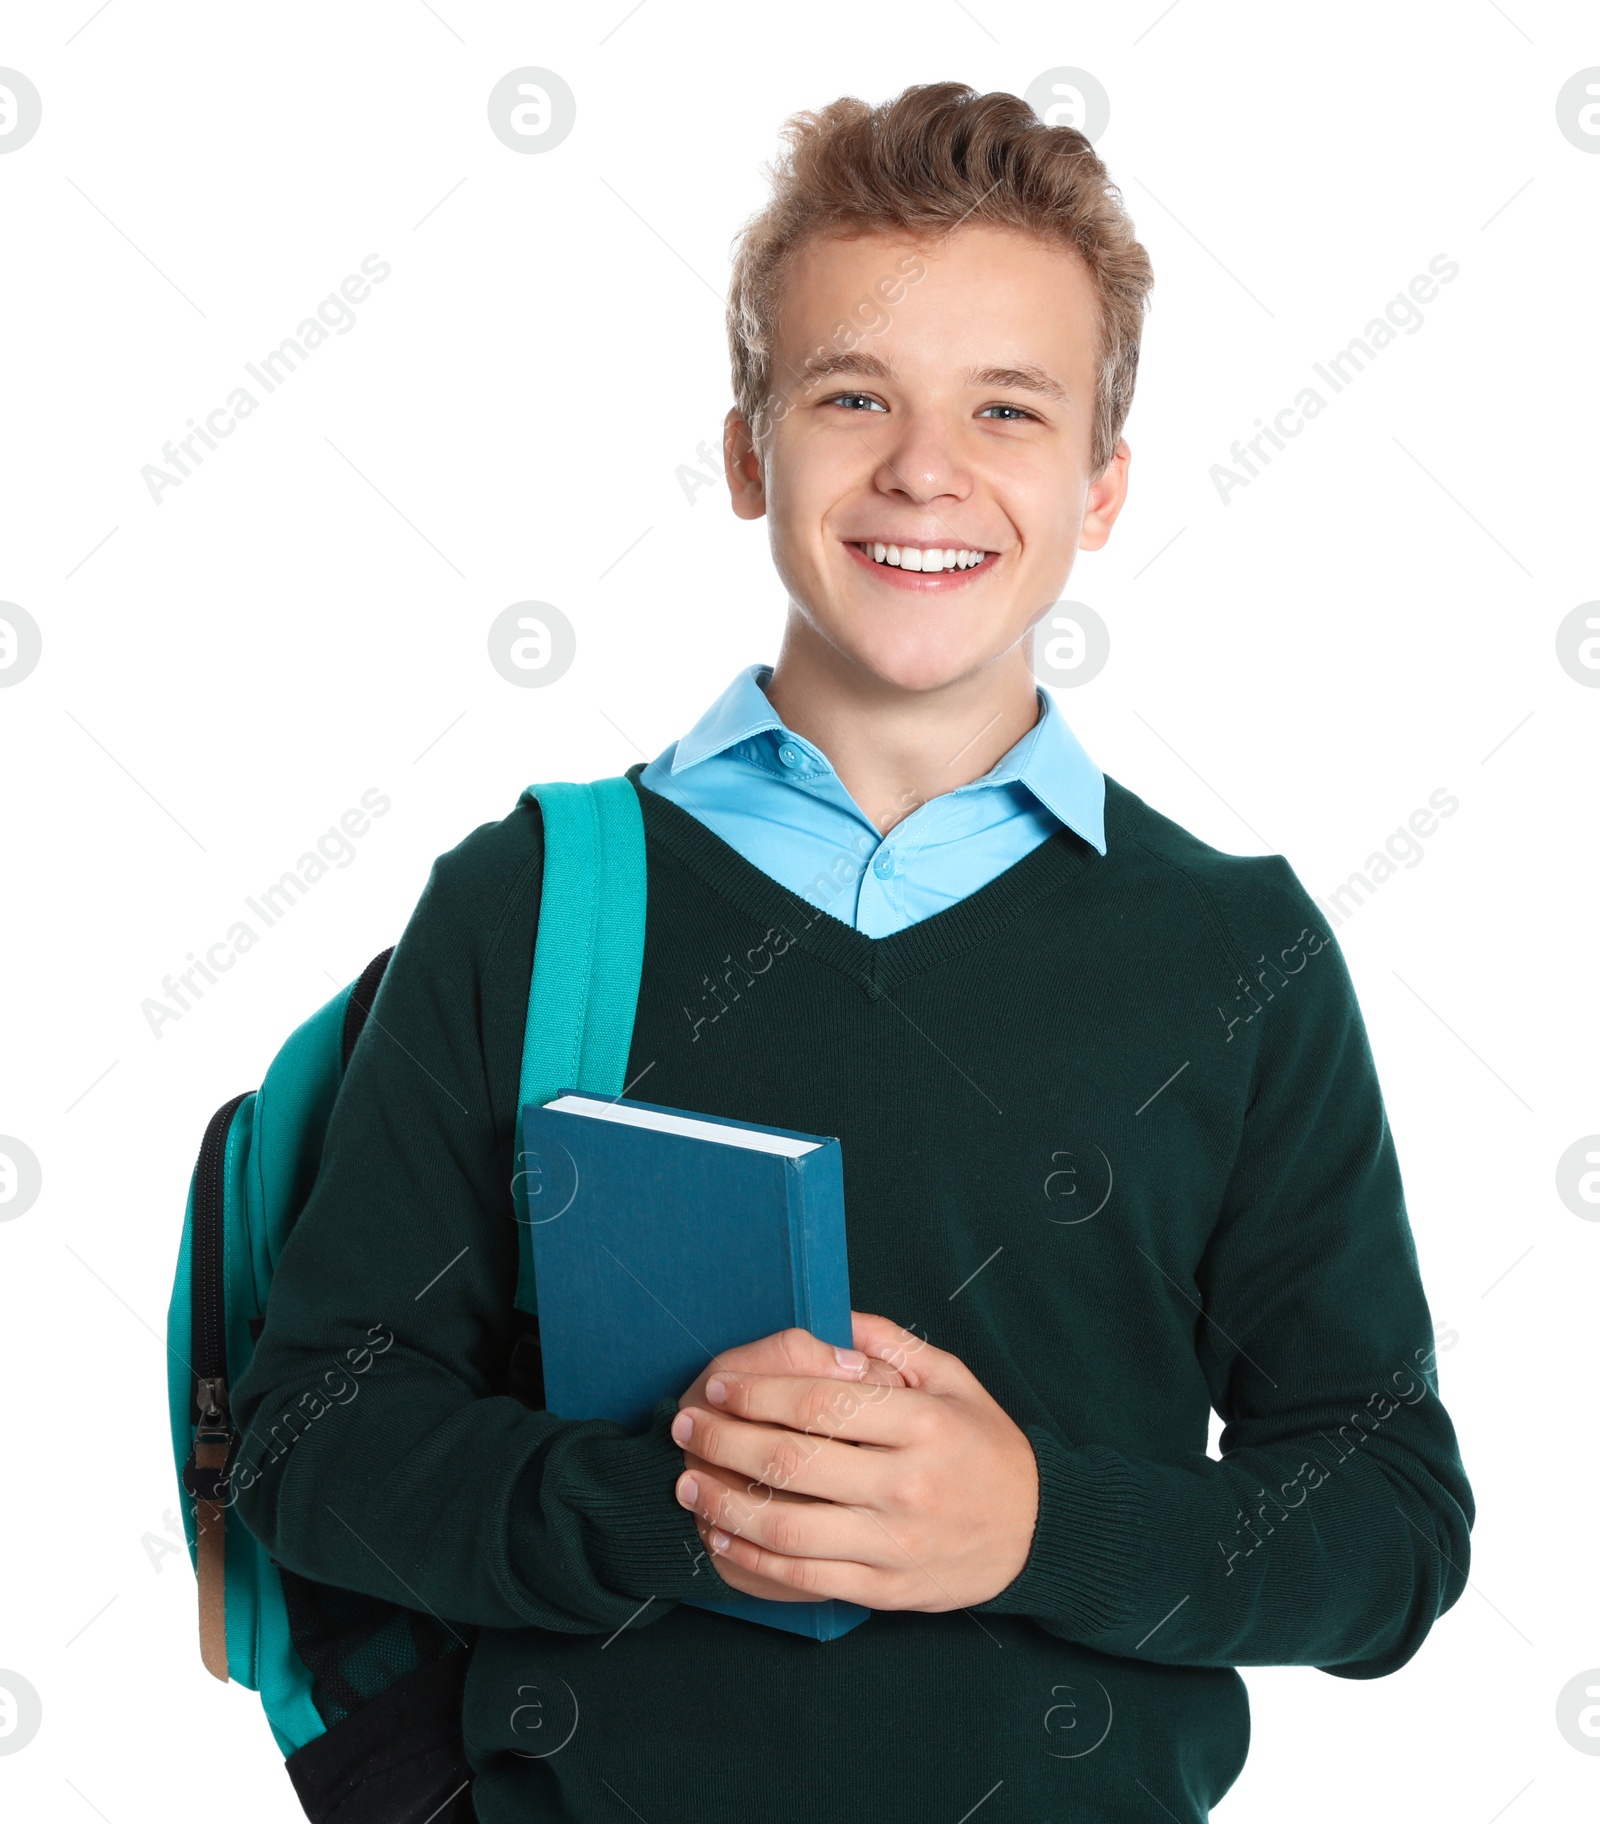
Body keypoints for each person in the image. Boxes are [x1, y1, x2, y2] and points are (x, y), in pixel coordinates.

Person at [232, 81, 1472, 1821]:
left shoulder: (1232, 953)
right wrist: (699, 1504)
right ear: (751, 449)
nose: (924, 469)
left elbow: (1388, 1524)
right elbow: (311, 1439)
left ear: (1103, 485)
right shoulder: (534, 900)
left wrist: (1033, 1523)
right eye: (852, 395)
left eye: (1008, 409)